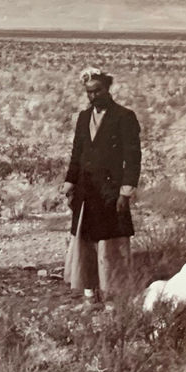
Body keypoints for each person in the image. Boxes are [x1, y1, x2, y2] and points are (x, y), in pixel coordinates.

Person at [62, 66, 141, 305]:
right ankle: (89, 294)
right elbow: (77, 153)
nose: (93, 96)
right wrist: (70, 183)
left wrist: (125, 192)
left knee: (111, 244)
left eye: (97, 91)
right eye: (89, 92)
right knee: (85, 243)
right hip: (86, 191)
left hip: (110, 192)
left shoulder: (124, 117)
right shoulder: (83, 117)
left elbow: (133, 157)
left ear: (107, 89)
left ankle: (112, 297)